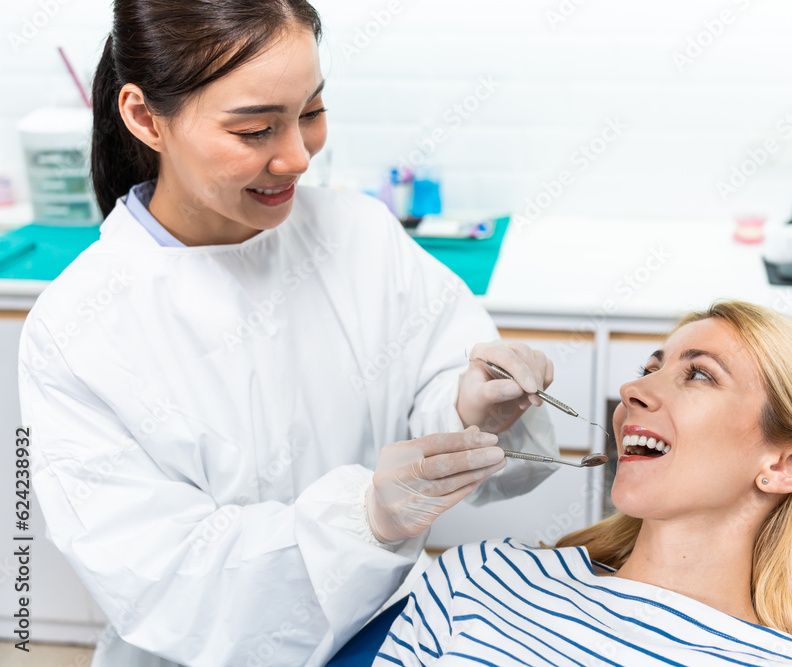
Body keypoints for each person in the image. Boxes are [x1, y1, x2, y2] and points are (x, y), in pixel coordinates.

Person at [16, 1, 558, 665]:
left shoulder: (356, 233)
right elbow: (168, 580)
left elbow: (437, 370)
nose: (298, 158)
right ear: (144, 117)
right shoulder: (78, 327)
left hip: (381, 635)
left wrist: (471, 404)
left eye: (311, 112)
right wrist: (365, 517)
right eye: (255, 131)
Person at [375, 300, 792, 667]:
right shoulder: (482, 576)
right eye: (650, 368)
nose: (632, 389)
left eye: (698, 374)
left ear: (788, 466)